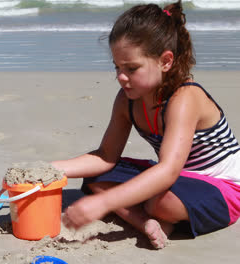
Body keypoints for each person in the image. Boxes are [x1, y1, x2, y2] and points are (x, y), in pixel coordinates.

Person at [52, 0, 240, 249]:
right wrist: (48, 169)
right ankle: (146, 222)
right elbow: (106, 156)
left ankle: (155, 215)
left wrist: (105, 203)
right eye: (117, 67)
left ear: (165, 61)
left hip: (223, 188)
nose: (121, 77)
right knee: (95, 177)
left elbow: (168, 171)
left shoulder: (185, 98)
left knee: (157, 202)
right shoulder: (127, 101)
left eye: (132, 68)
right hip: (177, 178)